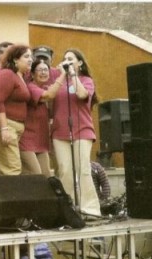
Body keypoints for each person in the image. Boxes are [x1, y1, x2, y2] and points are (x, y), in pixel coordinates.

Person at [51, 48, 101, 217]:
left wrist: (72, 75)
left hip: (82, 130)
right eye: (65, 59)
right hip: (60, 131)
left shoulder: (86, 80)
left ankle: (90, 210)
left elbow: (81, 94)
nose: (67, 61)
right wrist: (61, 75)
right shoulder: (59, 81)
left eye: (71, 59)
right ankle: (68, 210)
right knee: (65, 170)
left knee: (83, 169)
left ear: (80, 63)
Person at [0, 44, 33, 176]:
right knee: (12, 169)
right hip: (2, 125)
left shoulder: (19, 76)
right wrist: (4, 129)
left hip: (12, 126)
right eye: (26, 56)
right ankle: (13, 196)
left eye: (31, 57)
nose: (30, 59)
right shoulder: (7, 74)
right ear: (15, 60)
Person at [22, 59, 66, 177]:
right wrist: (62, 75)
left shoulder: (46, 87)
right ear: (32, 74)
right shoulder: (31, 87)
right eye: (40, 70)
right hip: (27, 140)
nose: (43, 72)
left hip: (41, 142)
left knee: (46, 177)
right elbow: (48, 96)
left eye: (46, 70)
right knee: (36, 177)